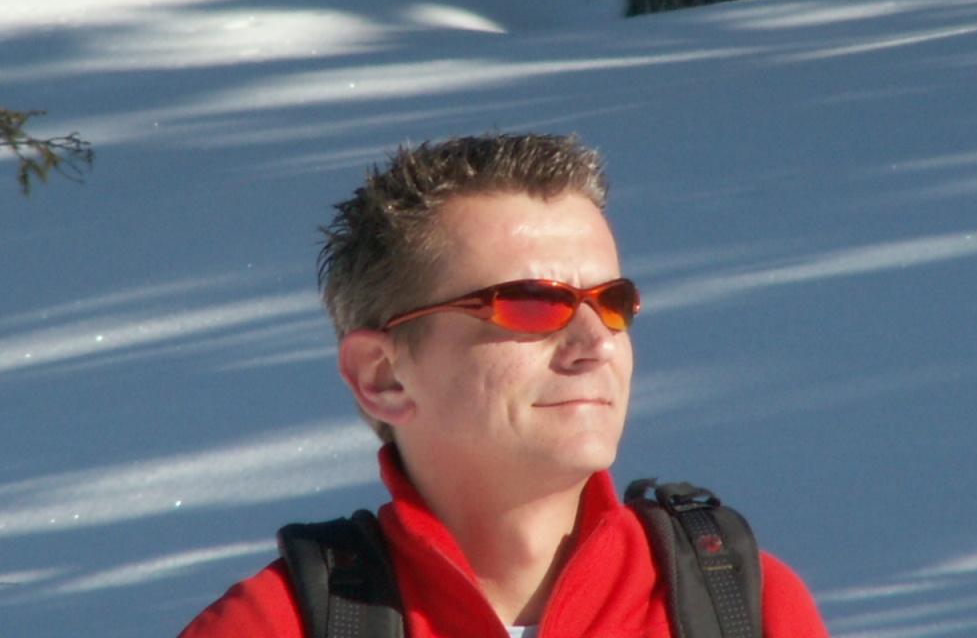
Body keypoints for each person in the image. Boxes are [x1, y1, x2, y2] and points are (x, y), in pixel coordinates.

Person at [177, 133, 829, 638]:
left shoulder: (741, 606)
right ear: (383, 376)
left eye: (611, 303)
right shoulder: (274, 626)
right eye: (532, 303)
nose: (596, 343)